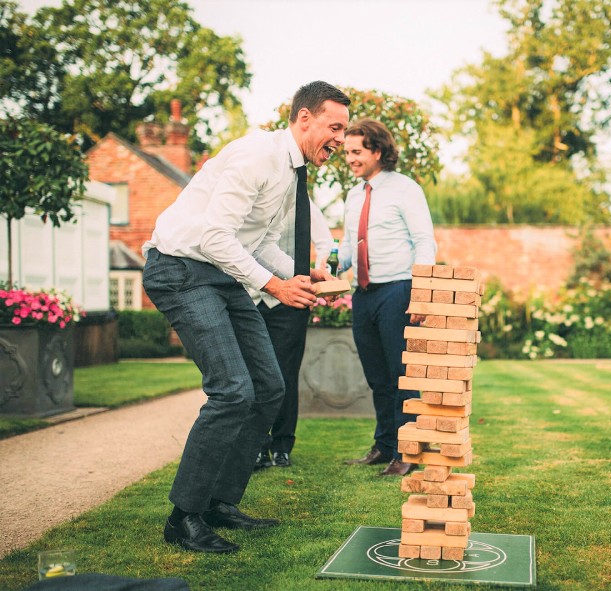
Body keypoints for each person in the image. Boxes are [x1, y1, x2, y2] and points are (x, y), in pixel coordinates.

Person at [142, 81, 351, 552]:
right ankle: (184, 517)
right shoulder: (258, 156)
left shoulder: (292, 172)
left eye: (343, 129)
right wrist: (275, 285)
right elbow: (217, 237)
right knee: (232, 390)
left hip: (221, 273)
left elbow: (257, 243)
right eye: (334, 127)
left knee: (269, 386)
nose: (339, 138)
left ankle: (219, 502)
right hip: (181, 270)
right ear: (304, 119)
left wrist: (303, 274)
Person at [338, 118, 437, 477]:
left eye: (356, 151)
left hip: (398, 290)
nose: (349, 158)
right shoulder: (353, 195)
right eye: (347, 152)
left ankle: (407, 451)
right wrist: (332, 265)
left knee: (401, 376)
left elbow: (424, 241)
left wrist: (422, 293)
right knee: (377, 378)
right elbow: (349, 247)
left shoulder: (405, 189)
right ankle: (383, 445)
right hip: (363, 296)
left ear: (377, 151)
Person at [252, 198, 335, 470]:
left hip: (292, 302)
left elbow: (325, 242)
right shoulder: (250, 197)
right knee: (253, 375)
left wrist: (323, 272)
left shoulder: (303, 202)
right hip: (250, 298)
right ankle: (257, 446)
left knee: (285, 373)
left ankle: (282, 445)